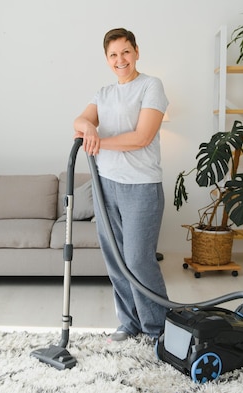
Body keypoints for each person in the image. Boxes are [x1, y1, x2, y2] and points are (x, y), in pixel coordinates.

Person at [73, 28, 169, 342]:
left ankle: (157, 328)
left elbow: (142, 137)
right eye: (113, 55)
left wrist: (98, 141)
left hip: (141, 186)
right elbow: (80, 121)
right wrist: (87, 126)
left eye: (125, 52)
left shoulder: (151, 86)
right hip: (105, 184)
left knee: (139, 259)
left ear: (136, 52)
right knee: (115, 259)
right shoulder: (103, 94)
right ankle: (129, 324)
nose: (120, 60)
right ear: (107, 59)